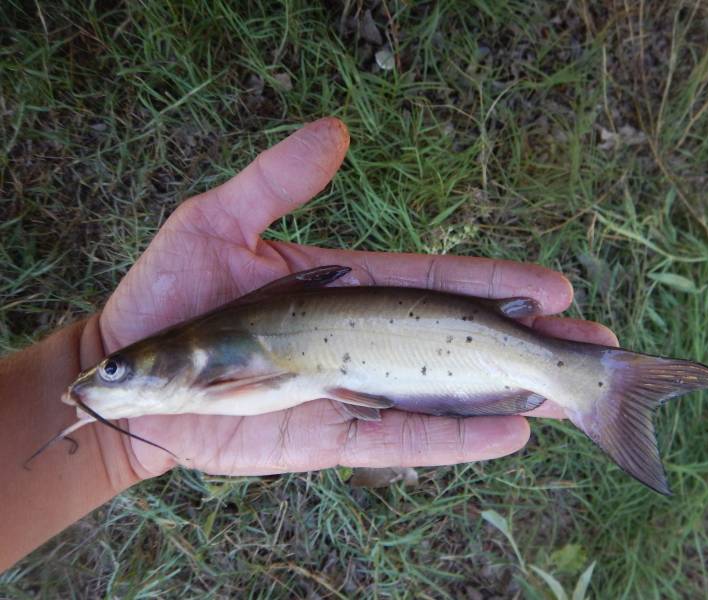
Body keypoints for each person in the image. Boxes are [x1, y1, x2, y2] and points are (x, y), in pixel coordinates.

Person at [0, 117, 618, 571]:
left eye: (113, 369)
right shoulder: (192, 358)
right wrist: (101, 393)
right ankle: (595, 386)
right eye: (110, 371)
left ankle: (599, 387)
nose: (101, 378)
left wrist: (101, 372)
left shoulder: (203, 353)